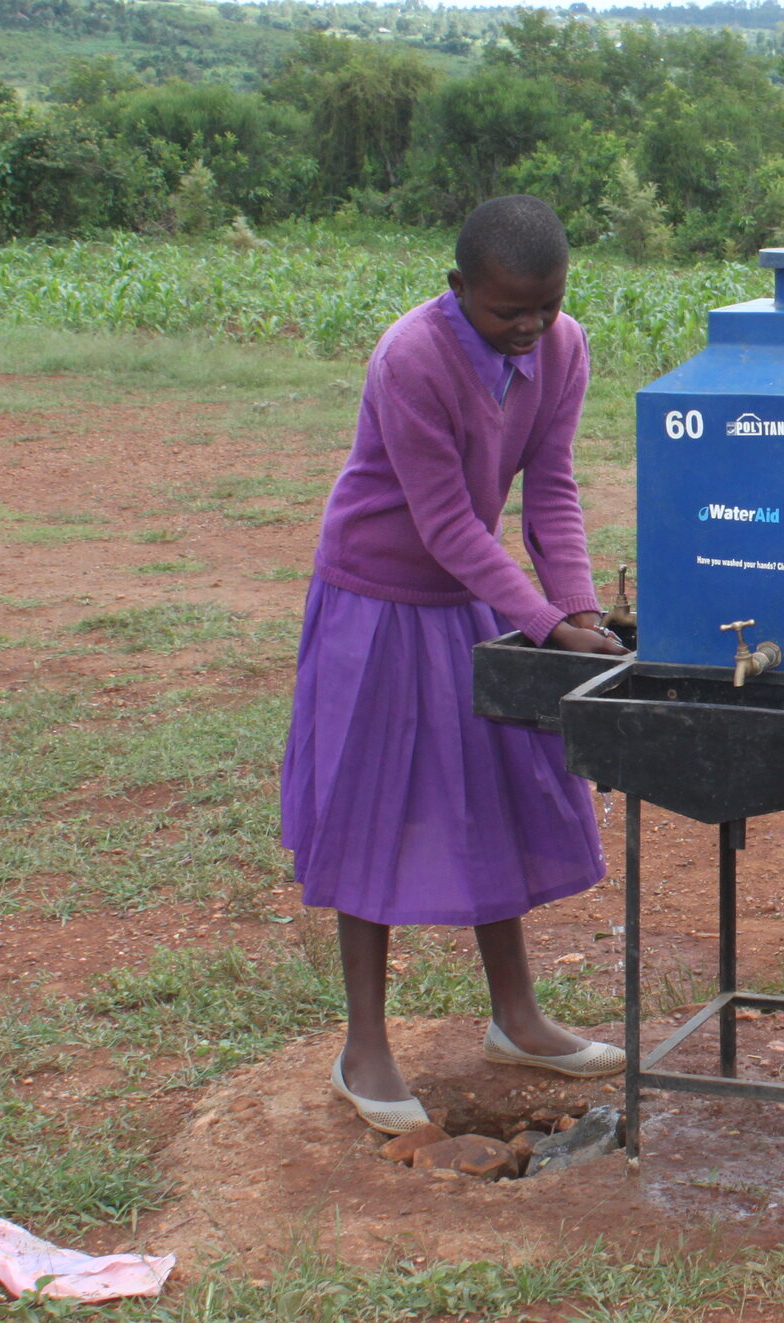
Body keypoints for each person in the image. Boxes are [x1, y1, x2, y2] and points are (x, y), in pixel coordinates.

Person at [281, 195, 630, 1134]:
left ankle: (517, 1016)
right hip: (380, 596)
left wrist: (580, 608)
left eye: (544, 308)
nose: (526, 330)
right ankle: (364, 1048)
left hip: (477, 595)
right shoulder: (412, 357)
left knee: (496, 798)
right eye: (505, 311)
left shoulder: (561, 349)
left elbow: (550, 489)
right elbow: (441, 525)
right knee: (374, 812)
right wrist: (547, 624)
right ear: (458, 289)